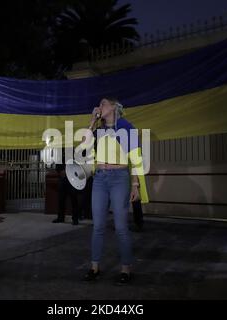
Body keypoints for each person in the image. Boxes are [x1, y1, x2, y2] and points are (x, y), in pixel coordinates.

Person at [82, 97, 148, 285]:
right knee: (98, 226)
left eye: (103, 104)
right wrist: (92, 121)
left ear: (113, 107)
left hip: (120, 178)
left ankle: (126, 269)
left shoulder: (127, 127)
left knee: (120, 226)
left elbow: (136, 158)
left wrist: (135, 184)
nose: (99, 106)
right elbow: (84, 145)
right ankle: (94, 267)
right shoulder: (98, 129)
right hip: (100, 179)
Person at [52, 148, 79, 225]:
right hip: (63, 178)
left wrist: (67, 171)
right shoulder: (60, 150)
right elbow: (58, 163)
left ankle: (75, 219)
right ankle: (60, 217)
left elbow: (76, 163)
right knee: (61, 199)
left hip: (72, 178)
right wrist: (60, 171)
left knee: (73, 199)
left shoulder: (74, 150)